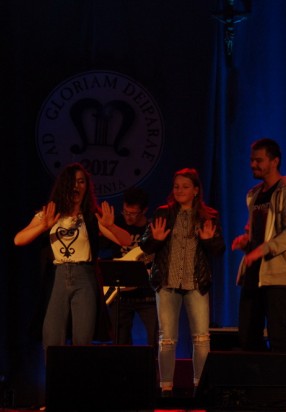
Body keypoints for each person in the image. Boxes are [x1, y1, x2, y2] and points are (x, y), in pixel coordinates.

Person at [13, 162, 132, 354]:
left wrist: (110, 226)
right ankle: (55, 374)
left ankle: (80, 374)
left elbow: (126, 240)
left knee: (82, 340)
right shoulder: (48, 215)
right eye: (72, 182)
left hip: (84, 277)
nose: (76, 186)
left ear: (86, 187)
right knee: (52, 339)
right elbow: (19, 239)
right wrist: (43, 226)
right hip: (57, 277)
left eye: (81, 181)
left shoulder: (91, 216)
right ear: (64, 185)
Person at [139, 168, 225, 396]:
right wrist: (155, 240)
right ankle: (166, 388)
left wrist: (209, 241)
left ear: (196, 190)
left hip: (196, 283)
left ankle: (200, 388)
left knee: (201, 338)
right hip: (167, 282)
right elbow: (145, 244)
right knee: (167, 339)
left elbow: (219, 250)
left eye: (185, 187)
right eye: (176, 186)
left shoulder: (208, 215)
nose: (179, 190)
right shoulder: (163, 212)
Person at [231, 138, 286, 352]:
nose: (253, 164)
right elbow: (260, 231)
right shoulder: (255, 194)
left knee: (278, 334)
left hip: (277, 272)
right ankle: (257, 373)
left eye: (259, 160)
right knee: (247, 335)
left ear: (275, 161)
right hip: (255, 272)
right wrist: (246, 241)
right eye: (252, 160)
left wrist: (261, 250)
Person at [101, 187, 158, 348]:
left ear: (144, 210)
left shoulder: (152, 230)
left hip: (147, 295)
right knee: (120, 341)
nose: (128, 216)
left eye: (133, 213)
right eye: (125, 211)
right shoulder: (116, 224)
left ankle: (153, 364)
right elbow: (102, 250)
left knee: (156, 337)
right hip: (120, 294)